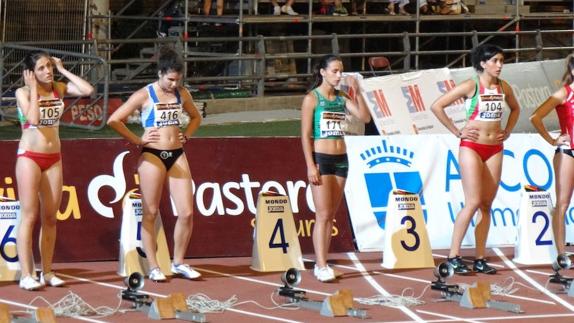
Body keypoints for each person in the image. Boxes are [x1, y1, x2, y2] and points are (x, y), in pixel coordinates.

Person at [107, 47, 203, 282]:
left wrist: (187, 135)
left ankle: (178, 262)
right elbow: (114, 119)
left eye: (178, 80)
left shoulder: (182, 93)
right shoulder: (145, 94)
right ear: (160, 73)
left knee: (187, 213)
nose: (174, 84)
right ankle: (154, 266)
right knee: (150, 212)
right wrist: (137, 140)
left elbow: (196, 117)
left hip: (177, 154)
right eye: (170, 79)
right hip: (152, 156)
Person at [430, 44, 520, 275]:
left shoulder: (504, 87)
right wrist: (456, 131)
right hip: (472, 146)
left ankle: (480, 257)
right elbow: (437, 106)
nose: (500, 65)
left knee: (487, 204)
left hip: (495, 148)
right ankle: (453, 256)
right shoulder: (472, 85)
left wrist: (507, 131)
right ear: (483, 63)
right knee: (473, 202)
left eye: (502, 61)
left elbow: (516, 109)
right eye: (495, 61)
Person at [15, 50, 94, 290]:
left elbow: (87, 90)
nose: (47, 71)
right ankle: (26, 274)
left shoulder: (58, 87)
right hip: (29, 157)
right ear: (30, 73)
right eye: (41, 68)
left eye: (49, 66)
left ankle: (47, 271)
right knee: (29, 216)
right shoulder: (23, 92)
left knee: (50, 217)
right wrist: (34, 89)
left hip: (53, 158)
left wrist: (62, 70)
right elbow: (34, 119)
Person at [301, 55, 371, 282]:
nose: (339, 75)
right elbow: (305, 135)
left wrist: (357, 92)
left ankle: (325, 262)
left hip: (342, 159)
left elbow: (365, 118)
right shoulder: (312, 99)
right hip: (322, 159)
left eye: (341, 71)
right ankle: (320, 265)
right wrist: (311, 165)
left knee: (331, 214)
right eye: (334, 71)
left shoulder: (341, 97)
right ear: (322, 72)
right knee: (322, 214)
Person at [529, 54, 574, 256]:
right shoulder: (563, 94)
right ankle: (561, 253)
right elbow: (535, 117)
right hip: (568, 153)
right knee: (562, 204)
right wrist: (552, 139)